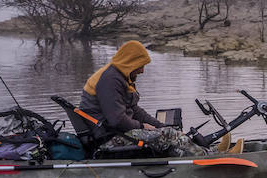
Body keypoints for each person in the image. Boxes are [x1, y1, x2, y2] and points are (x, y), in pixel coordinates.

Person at [78, 40, 207, 157]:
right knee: (169, 135)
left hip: (119, 132)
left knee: (170, 132)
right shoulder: (110, 80)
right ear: (130, 63)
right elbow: (116, 120)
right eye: (140, 66)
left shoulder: (120, 75)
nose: (142, 71)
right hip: (108, 139)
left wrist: (161, 126)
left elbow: (135, 110)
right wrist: (142, 126)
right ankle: (207, 156)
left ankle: (199, 153)